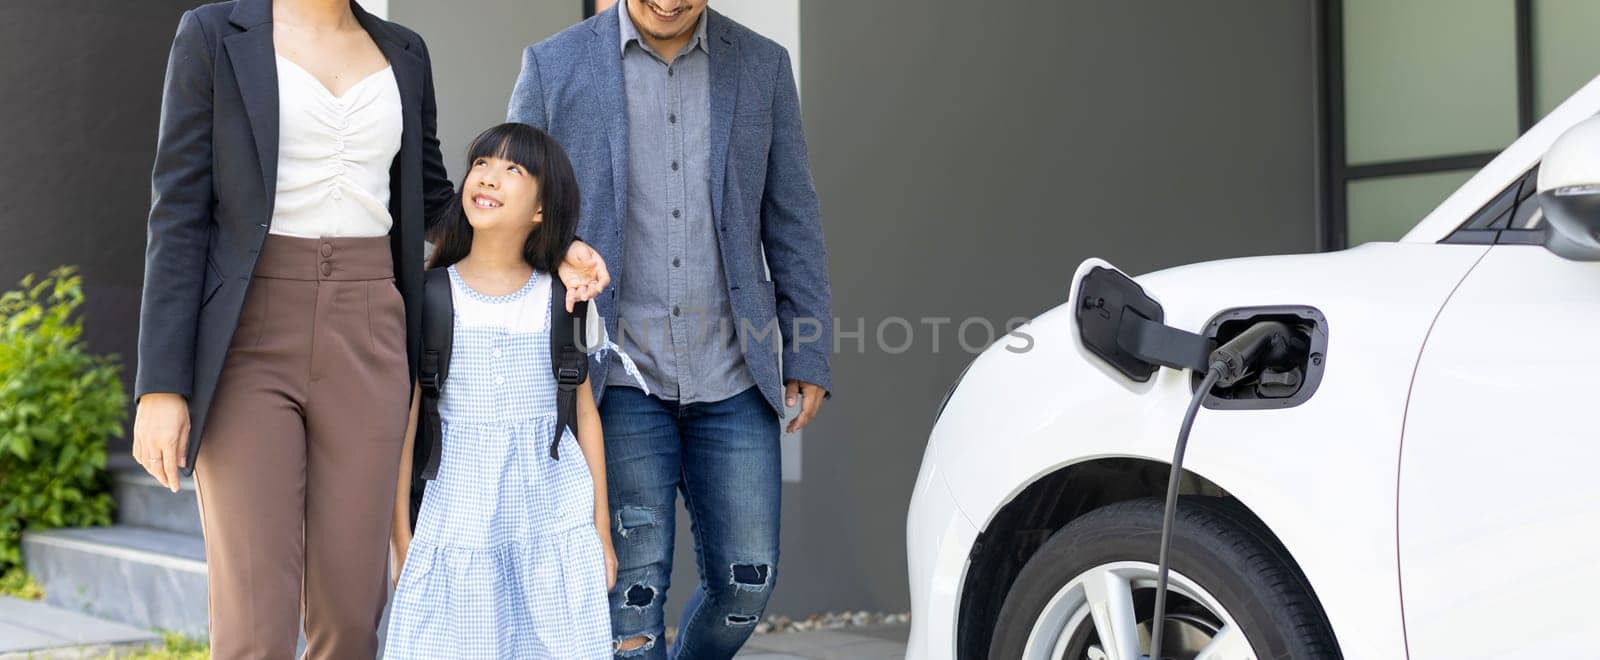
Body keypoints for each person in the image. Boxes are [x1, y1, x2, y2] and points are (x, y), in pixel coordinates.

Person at [130, 1, 608, 655]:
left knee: (352, 610)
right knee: (254, 614)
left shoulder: (403, 51)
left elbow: (436, 200)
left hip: (371, 330)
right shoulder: (215, 34)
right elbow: (179, 209)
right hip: (248, 331)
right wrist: (161, 384)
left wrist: (558, 246)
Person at [508, 1, 832, 657]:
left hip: (733, 374)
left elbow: (793, 216)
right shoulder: (553, 65)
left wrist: (810, 348)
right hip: (617, 378)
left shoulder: (764, 67)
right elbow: (509, 207)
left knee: (746, 585)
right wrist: (556, 249)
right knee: (631, 603)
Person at [386, 123, 640, 659]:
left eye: (513, 170)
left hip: (550, 509)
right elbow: (405, 424)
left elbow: (585, 415)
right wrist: (400, 538)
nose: (489, 177)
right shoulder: (429, 297)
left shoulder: (562, 299)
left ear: (541, 211)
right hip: (457, 509)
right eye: (481, 163)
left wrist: (601, 531)